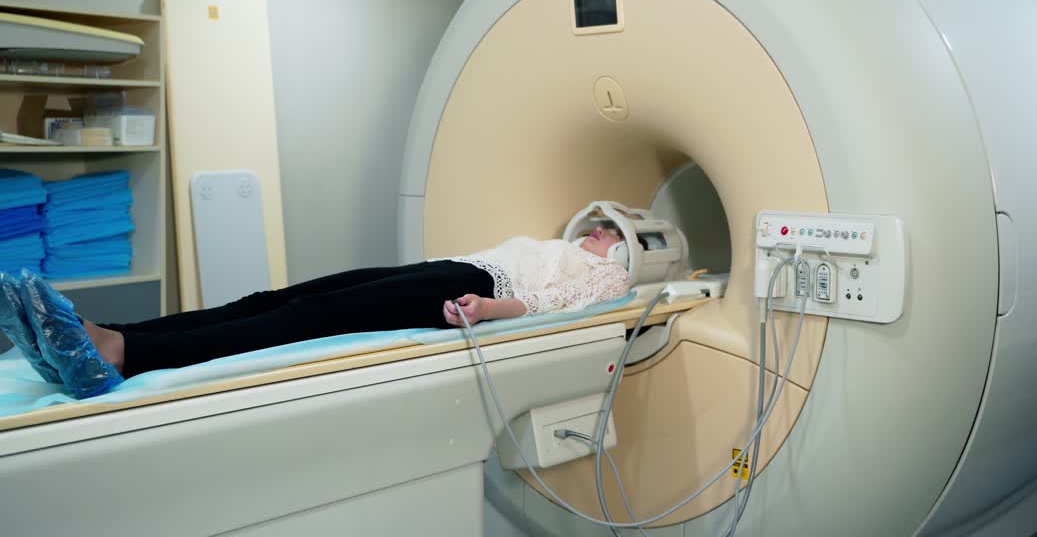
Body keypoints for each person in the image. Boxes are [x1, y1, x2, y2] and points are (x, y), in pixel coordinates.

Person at [0, 225, 632, 398]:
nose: (601, 227)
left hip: (465, 288)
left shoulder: (610, 274)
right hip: (448, 268)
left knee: (303, 317)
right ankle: (101, 336)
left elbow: (557, 301)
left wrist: (493, 307)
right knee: (275, 299)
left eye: (612, 229)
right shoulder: (566, 244)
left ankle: (124, 354)